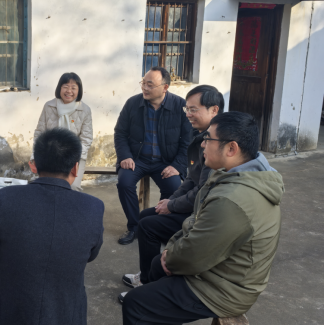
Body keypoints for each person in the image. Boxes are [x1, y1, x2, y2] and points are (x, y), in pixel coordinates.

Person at [122, 112, 284, 325]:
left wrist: (170, 256)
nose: (202, 144)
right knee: (155, 264)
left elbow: (193, 256)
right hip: (220, 270)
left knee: (135, 303)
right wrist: (172, 249)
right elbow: (196, 220)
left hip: (226, 288)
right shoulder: (232, 173)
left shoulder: (233, 199)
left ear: (231, 148)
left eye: (208, 139)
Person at [0, 128, 104, 325]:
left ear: (34, 165)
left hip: (9, 312)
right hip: (66, 313)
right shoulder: (93, 207)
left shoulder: (7, 199)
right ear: (75, 168)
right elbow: (91, 255)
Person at [122, 85, 224, 288]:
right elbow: (192, 179)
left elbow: (203, 191)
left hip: (205, 215)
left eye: (193, 109)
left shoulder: (216, 142)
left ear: (214, 110)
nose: (188, 114)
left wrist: (172, 205)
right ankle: (149, 275)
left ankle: (150, 284)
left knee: (149, 226)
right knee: (146, 215)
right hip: (192, 202)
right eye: (187, 109)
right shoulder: (200, 136)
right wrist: (171, 201)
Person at [114, 66, 192, 245]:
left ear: (165, 87)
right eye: (143, 83)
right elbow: (120, 133)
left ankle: (156, 225)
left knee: (174, 187)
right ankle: (134, 226)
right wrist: (125, 156)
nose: (144, 88)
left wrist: (177, 165)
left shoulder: (180, 106)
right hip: (137, 159)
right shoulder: (132, 103)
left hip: (165, 162)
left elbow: (187, 141)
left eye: (150, 85)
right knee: (124, 183)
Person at [32, 72, 93, 191]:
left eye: (73, 88)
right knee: (46, 186)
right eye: (65, 87)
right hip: (50, 153)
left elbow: (86, 139)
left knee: (72, 186)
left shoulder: (85, 110)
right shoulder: (49, 106)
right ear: (59, 88)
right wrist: (35, 155)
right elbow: (39, 133)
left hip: (74, 157)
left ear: (79, 91)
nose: (69, 91)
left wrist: (73, 157)